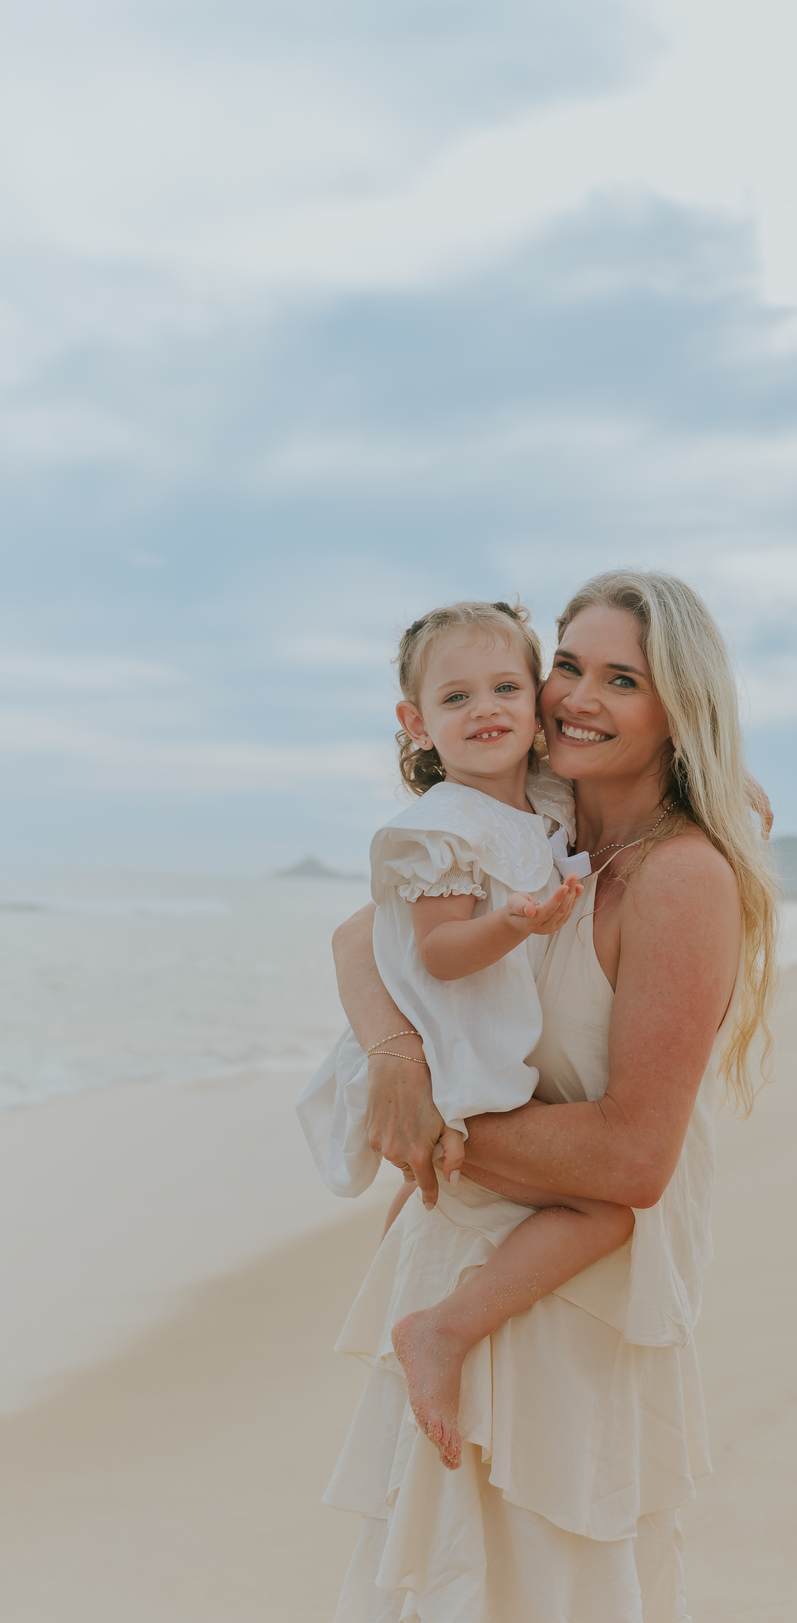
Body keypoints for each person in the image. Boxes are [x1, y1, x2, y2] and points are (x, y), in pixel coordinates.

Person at [323, 569, 777, 1623]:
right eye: (568, 664)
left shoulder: (680, 877)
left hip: (568, 1293)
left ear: (678, 707)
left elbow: (634, 1156)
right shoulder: (546, 828)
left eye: (621, 679)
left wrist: (436, 1132)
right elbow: (358, 937)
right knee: (451, 1620)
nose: (576, 697)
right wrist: (392, 1061)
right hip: (472, 1261)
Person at [297, 598, 635, 1471]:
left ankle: (406, 1318)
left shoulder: (547, 799)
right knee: (600, 1208)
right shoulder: (439, 832)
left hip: (488, 1042)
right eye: (455, 699)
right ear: (416, 723)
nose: (484, 710)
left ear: (536, 707)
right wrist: (517, 926)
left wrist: (726, 781)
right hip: (454, 1045)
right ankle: (434, 1331)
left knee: (439, 1199)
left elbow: (655, 780)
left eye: (504, 688)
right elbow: (444, 955)